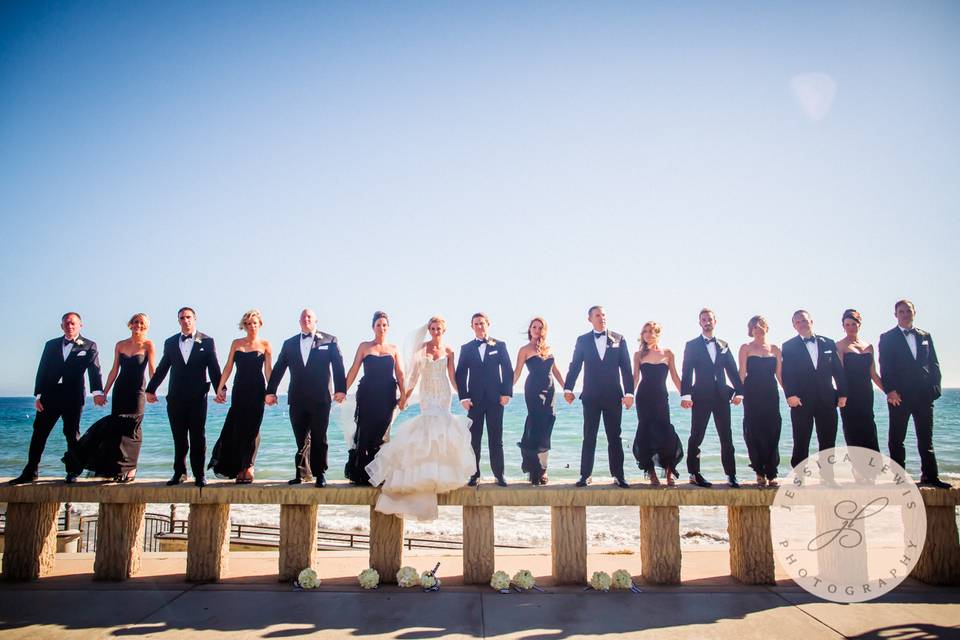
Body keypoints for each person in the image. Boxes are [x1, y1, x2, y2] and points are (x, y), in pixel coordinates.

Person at [366, 316, 477, 520]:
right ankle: (425, 475)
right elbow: (415, 376)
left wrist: (464, 396)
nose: (436, 331)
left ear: (444, 330)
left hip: (443, 393)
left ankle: (439, 475)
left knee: (442, 429)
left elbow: (452, 378)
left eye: (439, 329)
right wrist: (404, 397)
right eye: (433, 328)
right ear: (429, 330)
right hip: (427, 393)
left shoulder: (450, 351)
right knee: (427, 430)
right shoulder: (421, 349)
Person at [10, 312, 105, 485]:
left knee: (71, 434)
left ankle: (72, 471)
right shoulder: (51, 345)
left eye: (73, 323)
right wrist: (38, 395)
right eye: (67, 323)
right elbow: (42, 369)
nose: (70, 326)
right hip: (49, 396)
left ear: (80, 325)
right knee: (39, 433)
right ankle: (31, 471)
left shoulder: (89, 346)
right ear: (62, 326)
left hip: (73, 398)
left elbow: (94, 370)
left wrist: (97, 392)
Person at [63, 313, 156, 482]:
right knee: (118, 429)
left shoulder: (149, 345)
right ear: (130, 324)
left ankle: (132, 468)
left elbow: (152, 370)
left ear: (146, 326)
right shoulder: (120, 344)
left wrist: (152, 390)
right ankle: (118, 469)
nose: (138, 325)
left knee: (133, 429)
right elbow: (114, 370)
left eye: (141, 323)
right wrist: (104, 392)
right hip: (120, 390)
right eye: (135, 322)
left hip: (137, 392)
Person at [265, 308, 346, 487]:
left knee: (319, 436)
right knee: (300, 438)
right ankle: (301, 473)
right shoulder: (289, 344)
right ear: (299, 321)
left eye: (309, 316)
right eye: (303, 316)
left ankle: (320, 474)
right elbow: (279, 368)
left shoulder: (330, 341)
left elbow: (338, 366)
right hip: (297, 398)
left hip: (321, 398)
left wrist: (341, 389)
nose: (306, 319)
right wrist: (270, 391)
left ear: (316, 320)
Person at [146, 307, 222, 487]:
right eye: (182, 318)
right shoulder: (171, 342)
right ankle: (179, 473)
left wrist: (221, 389)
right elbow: (163, 367)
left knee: (198, 437)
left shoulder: (208, 341)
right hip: (175, 398)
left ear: (194, 319)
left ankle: (199, 474)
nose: (185, 320)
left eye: (188, 317)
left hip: (198, 398)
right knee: (179, 438)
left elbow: (214, 368)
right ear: (178, 320)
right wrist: (151, 389)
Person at [878, 300, 949, 488]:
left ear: (914, 312)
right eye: (901, 311)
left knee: (926, 437)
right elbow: (885, 366)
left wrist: (936, 388)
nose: (905, 314)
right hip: (899, 396)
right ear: (896, 315)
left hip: (924, 395)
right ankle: (899, 479)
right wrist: (890, 390)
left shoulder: (925, 336)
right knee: (897, 438)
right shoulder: (887, 337)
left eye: (908, 310)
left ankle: (930, 477)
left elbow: (933, 364)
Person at [563, 305, 635, 488]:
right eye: (597, 315)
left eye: (603, 315)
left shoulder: (619, 339)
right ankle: (585, 475)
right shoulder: (583, 340)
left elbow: (626, 368)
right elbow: (575, 365)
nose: (602, 318)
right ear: (590, 319)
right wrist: (568, 389)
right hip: (591, 396)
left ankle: (619, 475)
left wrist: (629, 393)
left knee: (615, 437)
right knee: (589, 436)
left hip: (613, 397)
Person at [680, 308, 744, 488]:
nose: (707, 321)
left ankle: (731, 475)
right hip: (700, 396)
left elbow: (732, 369)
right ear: (700, 323)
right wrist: (686, 395)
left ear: (715, 322)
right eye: (704, 319)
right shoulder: (692, 345)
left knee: (726, 436)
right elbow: (687, 372)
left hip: (722, 397)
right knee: (696, 435)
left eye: (710, 319)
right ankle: (694, 473)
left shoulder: (723, 345)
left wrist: (739, 392)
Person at [781, 310, 847, 482]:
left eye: (804, 320)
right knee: (801, 439)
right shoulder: (788, 346)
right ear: (794, 325)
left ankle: (827, 477)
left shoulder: (828, 343)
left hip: (827, 399)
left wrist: (842, 393)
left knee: (827, 440)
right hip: (801, 400)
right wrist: (790, 395)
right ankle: (799, 477)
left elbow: (838, 371)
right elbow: (786, 374)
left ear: (811, 321)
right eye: (798, 321)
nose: (802, 323)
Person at [208, 310, 272, 483]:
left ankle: (249, 467)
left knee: (253, 428)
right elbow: (228, 366)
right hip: (240, 390)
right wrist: (220, 387)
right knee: (236, 427)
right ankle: (238, 467)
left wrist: (271, 391)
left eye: (255, 323)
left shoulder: (265, 344)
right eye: (248, 323)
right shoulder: (236, 343)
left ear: (260, 325)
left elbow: (268, 371)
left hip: (257, 390)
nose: (252, 326)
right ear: (244, 325)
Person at [343, 311, 404, 485]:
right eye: (378, 324)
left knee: (382, 434)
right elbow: (354, 370)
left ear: (388, 327)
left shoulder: (394, 349)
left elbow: (400, 374)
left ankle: (380, 474)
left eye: (384, 325)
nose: (382, 327)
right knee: (365, 432)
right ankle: (362, 475)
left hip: (387, 397)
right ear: (373, 327)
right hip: (367, 395)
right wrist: (342, 390)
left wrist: (404, 396)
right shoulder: (364, 346)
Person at [455, 312, 514, 486]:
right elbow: (460, 374)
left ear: (488, 324)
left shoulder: (500, 345)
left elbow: (508, 370)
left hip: (496, 400)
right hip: (475, 401)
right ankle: (474, 474)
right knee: (474, 439)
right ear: (472, 327)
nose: (479, 326)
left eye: (482, 323)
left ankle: (499, 475)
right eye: (476, 324)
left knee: (496, 439)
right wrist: (463, 397)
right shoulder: (466, 348)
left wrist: (506, 393)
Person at [512, 317, 565, 485]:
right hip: (533, 391)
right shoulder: (524, 350)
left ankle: (543, 468)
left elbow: (556, 372)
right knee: (535, 427)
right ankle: (535, 469)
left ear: (544, 330)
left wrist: (567, 388)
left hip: (550, 391)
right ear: (530, 330)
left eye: (540, 327)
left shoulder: (549, 349)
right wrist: (505, 391)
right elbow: (517, 372)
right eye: (534, 327)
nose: (537, 330)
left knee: (548, 425)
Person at [631, 322, 684, 486]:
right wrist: (627, 396)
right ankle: (652, 473)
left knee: (665, 432)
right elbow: (635, 378)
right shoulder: (638, 355)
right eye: (645, 331)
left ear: (658, 334)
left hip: (661, 397)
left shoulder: (668, 353)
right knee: (645, 432)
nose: (647, 334)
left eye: (651, 332)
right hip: (644, 398)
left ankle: (669, 472)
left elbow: (675, 376)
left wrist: (686, 396)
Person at [737, 315, 783, 487]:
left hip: (771, 394)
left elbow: (779, 375)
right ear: (751, 330)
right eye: (754, 326)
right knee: (754, 431)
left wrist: (790, 394)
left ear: (766, 327)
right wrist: (738, 393)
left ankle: (772, 472)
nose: (758, 328)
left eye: (761, 325)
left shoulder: (776, 349)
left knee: (772, 430)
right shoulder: (746, 348)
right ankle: (759, 471)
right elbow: (741, 373)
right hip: (752, 393)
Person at [835, 309, 882, 454]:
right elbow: (839, 373)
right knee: (852, 429)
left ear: (859, 324)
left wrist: (890, 392)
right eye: (847, 324)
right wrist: (842, 394)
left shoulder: (868, 346)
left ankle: (872, 468)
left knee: (868, 428)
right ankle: (858, 470)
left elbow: (873, 374)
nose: (850, 327)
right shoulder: (840, 345)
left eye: (853, 324)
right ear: (843, 326)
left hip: (866, 394)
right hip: (849, 395)